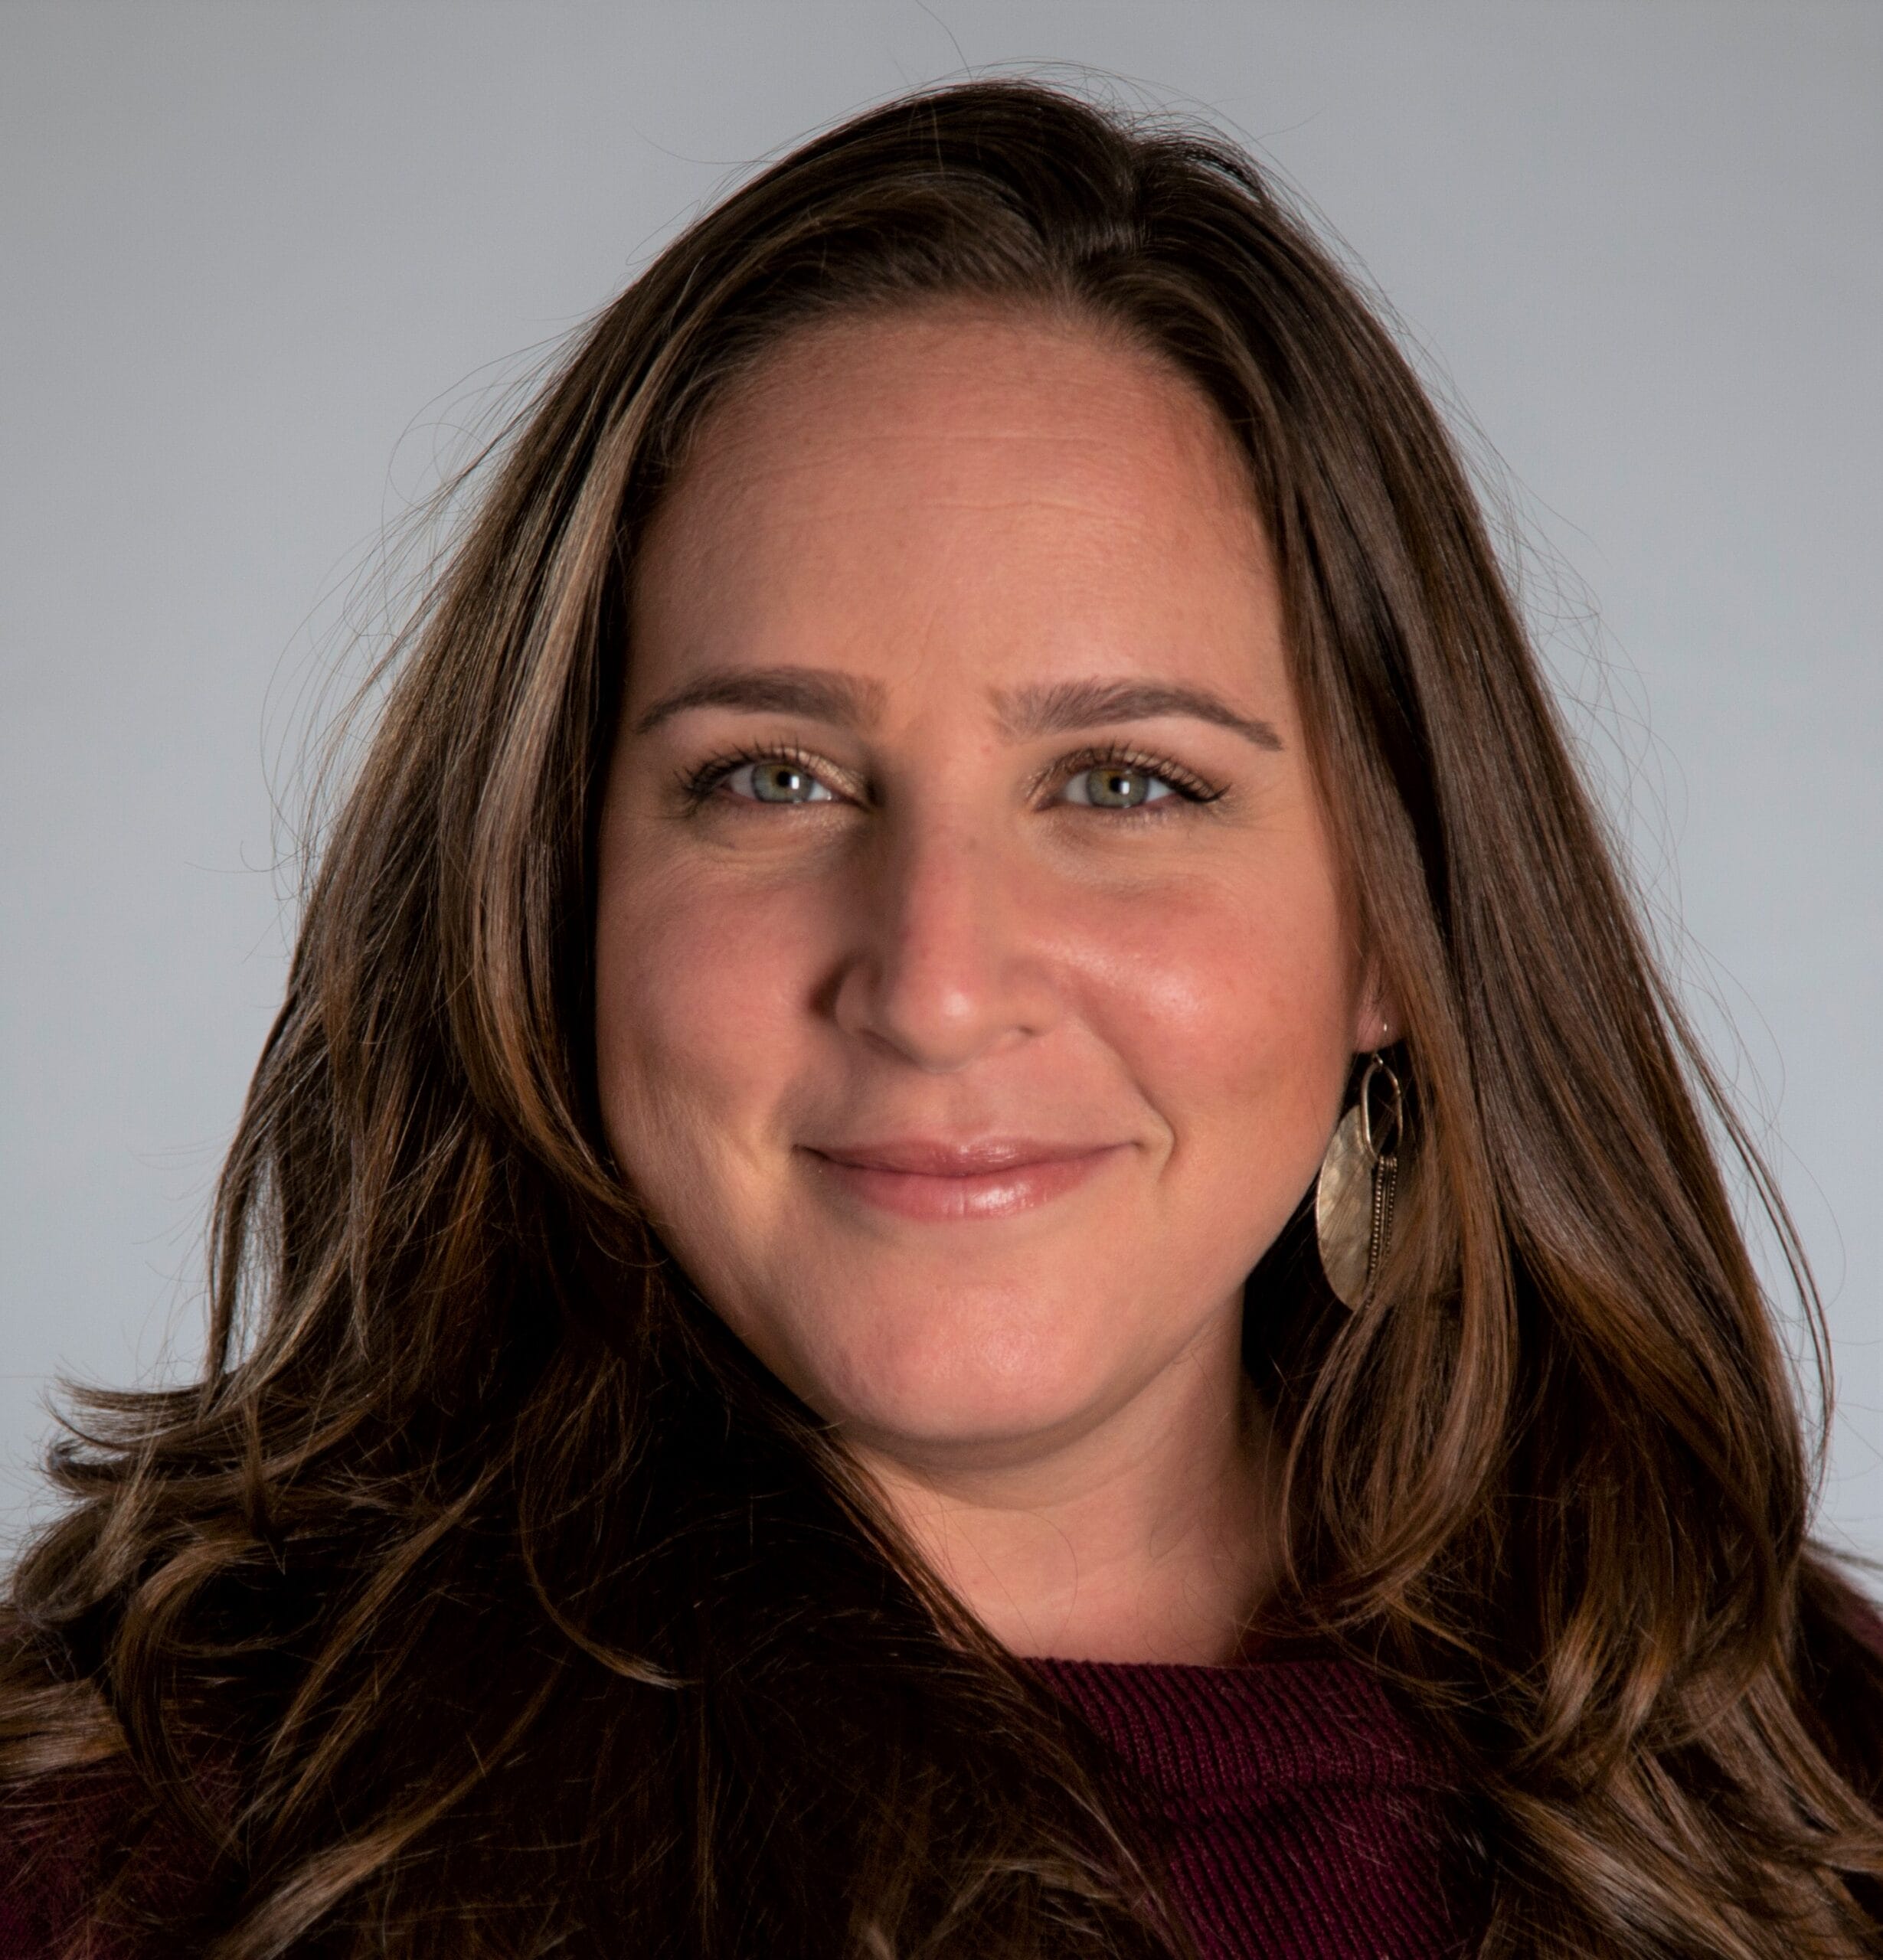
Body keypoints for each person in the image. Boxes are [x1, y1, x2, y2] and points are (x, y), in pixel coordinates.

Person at [2, 77, 1879, 1960]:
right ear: (556, 886)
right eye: (775, 777)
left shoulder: (1818, 1789)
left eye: (1126, 783)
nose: (935, 979)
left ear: (1397, 925)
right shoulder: (129, 1843)